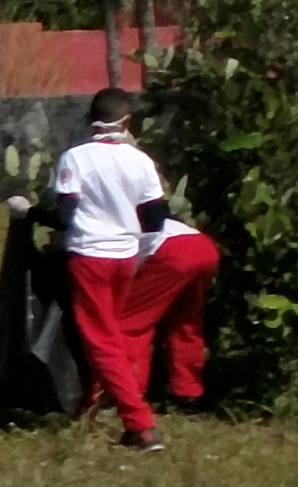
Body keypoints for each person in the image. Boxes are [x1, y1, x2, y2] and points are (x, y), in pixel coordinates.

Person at [45, 92, 218, 450]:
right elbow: (154, 220)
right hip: (128, 256)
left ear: (88, 119)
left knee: (107, 337)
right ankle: (179, 395)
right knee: (148, 326)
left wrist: (31, 215)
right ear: (128, 123)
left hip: (92, 255)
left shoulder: (75, 157)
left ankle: (137, 422)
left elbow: (64, 216)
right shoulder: (141, 161)